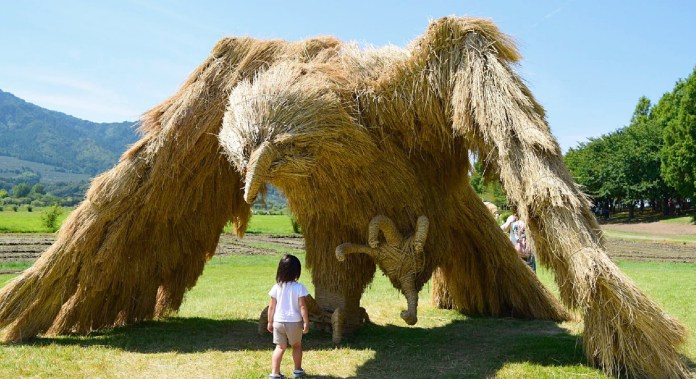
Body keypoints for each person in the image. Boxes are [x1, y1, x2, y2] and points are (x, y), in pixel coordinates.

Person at [267, 254, 310, 379]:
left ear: (280, 270)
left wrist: (270, 322)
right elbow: (302, 306)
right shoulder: (299, 287)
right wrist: (306, 322)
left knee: (279, 347)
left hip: (278, 321)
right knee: (296, 345)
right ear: (297, 271)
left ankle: (275, 373)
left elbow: (271, 307)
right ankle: (297, 370)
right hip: (294, 322)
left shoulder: (277, 287)